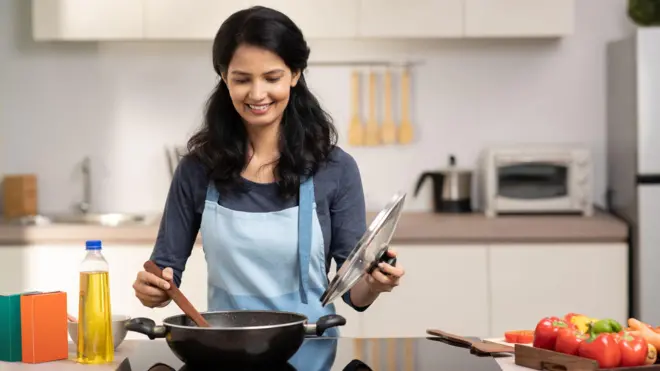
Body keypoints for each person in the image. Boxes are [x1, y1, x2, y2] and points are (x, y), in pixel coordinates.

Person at [131, 6, 405, 334]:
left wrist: (375, 283)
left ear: (295, 74)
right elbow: (162, 277)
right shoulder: (197, 169)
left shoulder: (335, 169)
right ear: (223, 77)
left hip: (310, 350)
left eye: (272, 78)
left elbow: (354, 295)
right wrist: (152, 290)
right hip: (227, 353)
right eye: (242, 79)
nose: (258, 94)